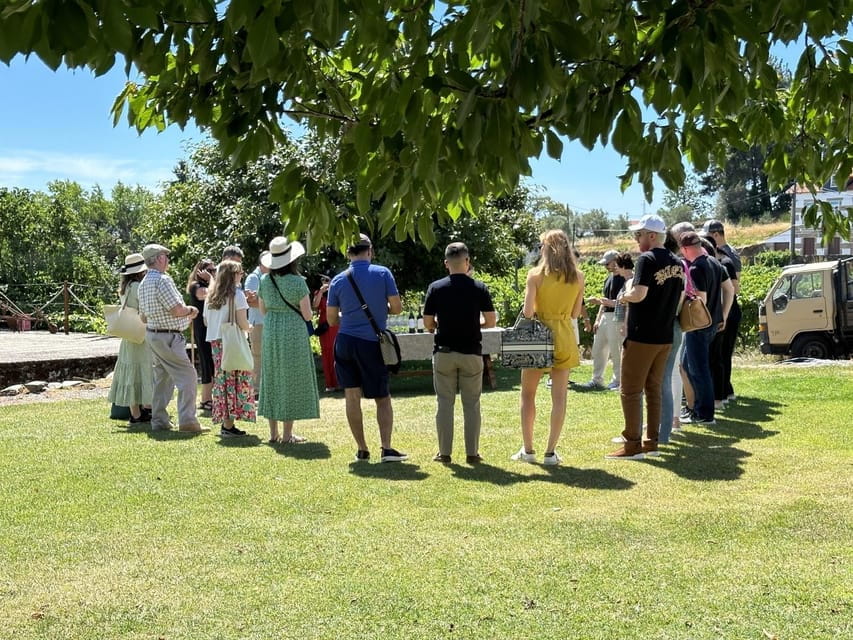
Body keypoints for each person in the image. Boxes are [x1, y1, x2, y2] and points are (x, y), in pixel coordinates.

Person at [606, 215, 684, 460]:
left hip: (642, 336)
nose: (636, 239)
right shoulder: (678, 263)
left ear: (652, 236)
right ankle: (651, 441)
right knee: (654, 390)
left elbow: (639, 294)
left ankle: (632, 446)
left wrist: (624, 295)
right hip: (665, 336)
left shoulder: (646, 260)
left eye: (638, 234)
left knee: (630, 391)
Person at [327, 233, 407, 463]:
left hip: (345, 342)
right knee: (382, 396)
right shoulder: (383, 273)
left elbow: (332, 319)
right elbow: (398, 308)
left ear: (348, 253)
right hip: (371, 342)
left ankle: (362, 449)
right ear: (369, 251)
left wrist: (349, 315)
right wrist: (379, 311)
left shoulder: (338, 280)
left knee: (351, 396)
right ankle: (387, 448)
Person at [511, 229, 585, 465]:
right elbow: (575, 312)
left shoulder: (535, 275)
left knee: (528, 394)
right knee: (560, 398)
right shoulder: (578, 277)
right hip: (564, 335)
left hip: (537, 334)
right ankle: (551, 452)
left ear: (546, 248)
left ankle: (528, 450)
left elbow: (529, 311)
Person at [422, 242, 497, 464]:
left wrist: (438, 325)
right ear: (467, 261)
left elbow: (428, 323)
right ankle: (472, 453)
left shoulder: (435, 287)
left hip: (444, 352)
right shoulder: (479, 287)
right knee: (472, 405)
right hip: (471, 352)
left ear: (446, 263)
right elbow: (491, 321)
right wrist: (477, 325)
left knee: (444, 403)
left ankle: (444, 453)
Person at [137, 243, 209, 434]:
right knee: (188, 376)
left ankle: (159, 420)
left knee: (163, 379)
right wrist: (191, 310)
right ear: (159, 258)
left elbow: (143, 316)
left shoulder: (143, 283)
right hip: (168, 336)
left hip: (153, 334)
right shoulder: (163, 280)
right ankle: (188, 421)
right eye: (166, 256)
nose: (168, 260)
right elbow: (177, 310)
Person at [257, 237, 319, 443]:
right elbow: (308, 315)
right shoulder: (298, 282)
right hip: (293, 330)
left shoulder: (265, 281)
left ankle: (273, 433)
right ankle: (287, 435)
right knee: (290, 379)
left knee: (272, 376)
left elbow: (263, 310)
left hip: (272, 330)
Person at [678, 231, 733, 426]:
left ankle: (705, 414)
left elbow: (701, 300)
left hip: (699, 325)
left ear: (685, 249)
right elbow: (730, 290)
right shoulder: (715, 263)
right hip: (713, 323)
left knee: (698, 369)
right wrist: (724, 315)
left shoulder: (696, 268)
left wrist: (683, 301)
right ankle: (696, 409)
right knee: (687, 366)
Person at [203, 260, 256, 437]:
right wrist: (249, 327)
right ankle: (228, 425)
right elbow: (242, 322)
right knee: (235, 379)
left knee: (223, 381)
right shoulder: (237, 295)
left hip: (216, 342)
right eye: (240, 272)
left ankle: (226, 422)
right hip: (231, 340)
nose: (242, 275)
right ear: (233, 275)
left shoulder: (211, 295)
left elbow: (206, 320)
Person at [107, 253, 153, 425]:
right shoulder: (138, 287)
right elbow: (145, 310)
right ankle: (146, 408)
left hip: (129, 335)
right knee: (145, 369)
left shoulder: (125, 287)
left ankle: (136, 413)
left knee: (131, 374)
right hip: (140, 333)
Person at [578, 249, 624, 391]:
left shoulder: (625, 278)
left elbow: (623, 302)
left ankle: (618, 380)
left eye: (608, 263)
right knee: (598, 349)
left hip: (618, 317)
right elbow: (604, 302)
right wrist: (598, 320)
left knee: (616, 350)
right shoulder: (608, 278)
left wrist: (602, 302)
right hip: (605, 317)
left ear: (616, 261)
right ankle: (597, 379)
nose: (606, 267)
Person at [186, 259, 216, 412]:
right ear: (201, 271)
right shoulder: (195, 286)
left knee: (213, 362)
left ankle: (211, 397)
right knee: (206, 362)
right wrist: (212, 280)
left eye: (214, 270)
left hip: (211, 327)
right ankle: (205, 399)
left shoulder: (210, 284)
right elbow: (208, 295)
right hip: (201, 328)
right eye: (210, 270)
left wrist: (212, 280)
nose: (213, 273)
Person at [244, 251, 269, 393]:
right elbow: (250, 301)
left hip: (266, 322)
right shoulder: (253, 278)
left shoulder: (268, 277)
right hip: (258, 323)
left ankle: (264, 388)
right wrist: (269, 303)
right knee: (257, 356)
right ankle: (256, 390)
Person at [312, 274, 340, 392]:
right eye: (324, 281)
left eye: (327, 281)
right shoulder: (319, 293)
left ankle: (338, 382)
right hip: (324, 326)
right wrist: (321, 292)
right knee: (326, 354)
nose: (326, 283)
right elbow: (315, 305)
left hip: (335, 324)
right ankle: (329, 384)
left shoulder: (336, 292)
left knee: (336, 353)